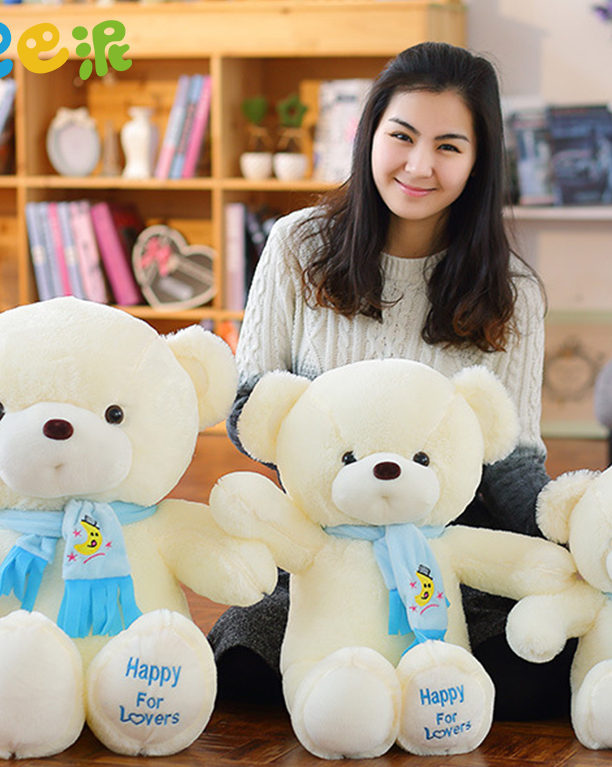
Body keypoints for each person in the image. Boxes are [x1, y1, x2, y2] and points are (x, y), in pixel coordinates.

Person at [209, 41, 574, 720]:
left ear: (479, 160)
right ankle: (400, 690)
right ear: (369, 134)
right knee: (240, 670)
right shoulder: (297, 246)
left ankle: (392, 688)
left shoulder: (513, 293)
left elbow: (512, 462)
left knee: (543, 667)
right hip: (328, 544)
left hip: (448, 547)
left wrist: (579, 542)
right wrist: (331, 466)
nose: (418, 165)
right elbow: (251, 410)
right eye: (401, 136)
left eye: (448, 146)